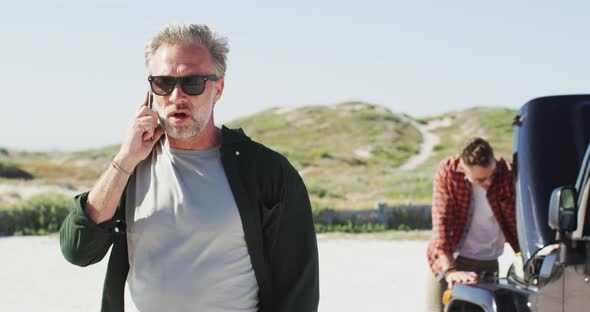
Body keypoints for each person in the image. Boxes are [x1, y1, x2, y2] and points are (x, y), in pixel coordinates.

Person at [60, 23, 319, 312]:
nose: (176, 96)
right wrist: (124, 160)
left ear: (218, 88)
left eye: (193, 83)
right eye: (163, 83)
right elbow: (78, 250)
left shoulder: (266, 172)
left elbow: (298, 293)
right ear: (150, 91)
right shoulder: (131, 168)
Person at [425, 137, 519, 312]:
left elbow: (521, 216)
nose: (489, 182)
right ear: (464, 171)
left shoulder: (506, 172)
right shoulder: (449, 172)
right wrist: (449, 271)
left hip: (488, 262)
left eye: (492, 175)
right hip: (449, 260)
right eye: (481, 180)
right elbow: (441, 221)